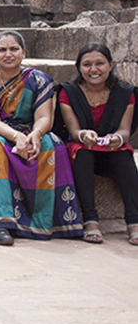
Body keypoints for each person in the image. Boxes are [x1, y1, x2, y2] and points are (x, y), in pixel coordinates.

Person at [0, 30, 83, 245]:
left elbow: (44, 117)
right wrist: (16, 137)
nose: (8, 54)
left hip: (32, 130)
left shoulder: (38, 79)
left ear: (24, 52)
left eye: (14, 49)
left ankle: (49, 220)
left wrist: (35, 134)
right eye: (2, 50)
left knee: (54, 144)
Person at [56, 43, 137, 245]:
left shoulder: (125, 92)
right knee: (81, 152)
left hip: (111, 148)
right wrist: (84, 134)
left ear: (110, 65)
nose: (93, 70)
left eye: (100, 63)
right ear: (79, 67)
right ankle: (91, 220)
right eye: (87, 64)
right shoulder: (68, 92)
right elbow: (73, 132)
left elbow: (125, 130)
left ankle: (134, 221)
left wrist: (116, 138)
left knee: (124, 153)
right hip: (83, 147)